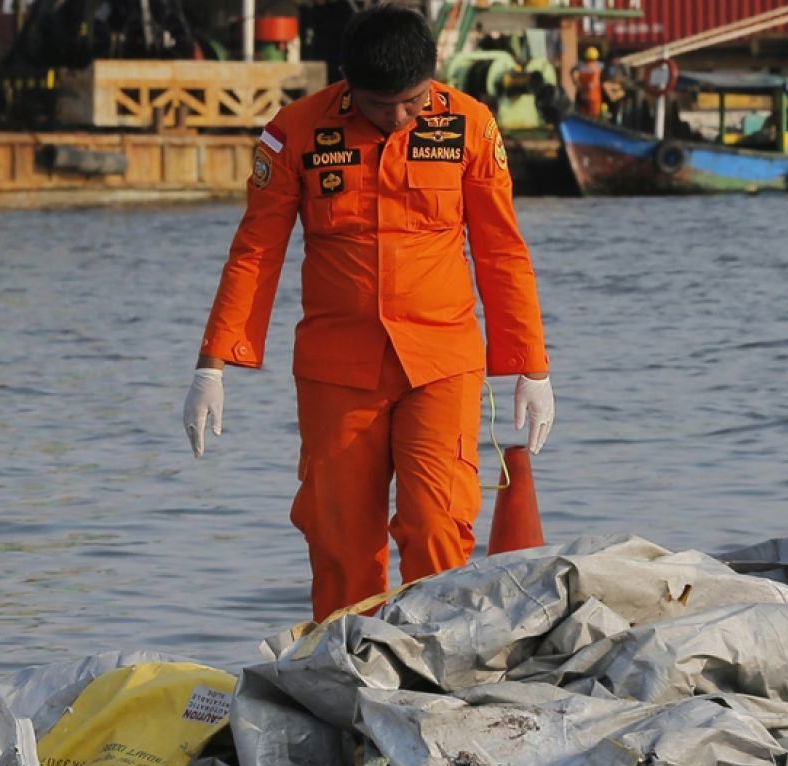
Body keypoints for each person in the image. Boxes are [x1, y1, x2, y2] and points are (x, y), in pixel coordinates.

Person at [183, 3, 555, 623]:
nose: (398, 118)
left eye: (411, 102)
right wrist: (212, 366)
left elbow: (502, 252)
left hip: (441, 363)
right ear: (348, 85)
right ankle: (343, 672)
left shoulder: (471, 126)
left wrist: (532, 368)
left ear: (432, 75)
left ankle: (437, 667)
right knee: (340, 542)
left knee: (437, 525)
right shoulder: (294, 132)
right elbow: (256, 252)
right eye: (381, 106)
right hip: (337, 371)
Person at [572, 45, 605, 118]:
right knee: (594, 117)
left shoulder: (580, 66)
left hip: (582, 96)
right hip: (594, 97)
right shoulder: (599, 66)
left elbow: (573, 73)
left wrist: (578, 84)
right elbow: (593, 83)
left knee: (582, 117)